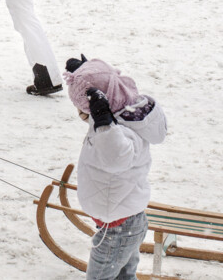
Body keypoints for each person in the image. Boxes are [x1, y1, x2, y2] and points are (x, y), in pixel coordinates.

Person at [63, 56, 166, 280]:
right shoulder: (121, 114)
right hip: (125, 220)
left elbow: (115, 157)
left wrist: (104, 123)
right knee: (124, 276)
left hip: (118, 229)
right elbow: (105, 104)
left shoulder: (117, 131)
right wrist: (86, 73)